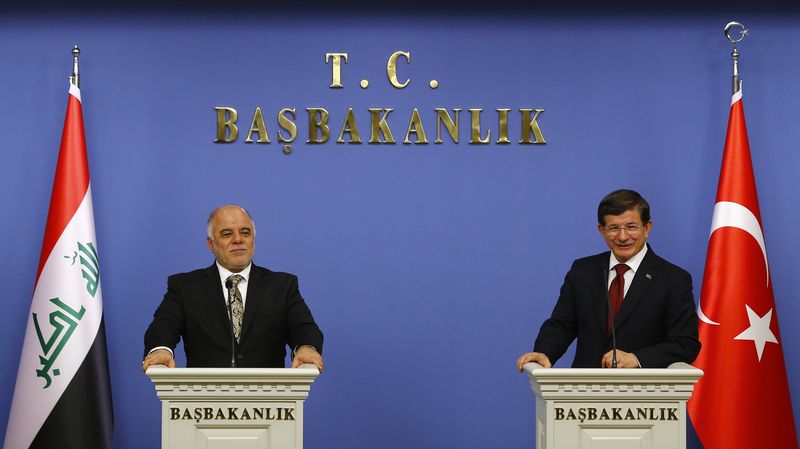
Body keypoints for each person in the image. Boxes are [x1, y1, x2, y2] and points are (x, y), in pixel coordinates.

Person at [516, 189, 700, 369]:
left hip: (642, 393)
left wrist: (637, 359)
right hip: (583, 391)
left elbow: (685, 343)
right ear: (601, 231)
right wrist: (544, 352)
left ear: (647, 227)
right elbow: (562, 324)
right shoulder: (583, 271)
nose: (622, 236)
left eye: (631, 227)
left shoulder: (673, 279)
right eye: (613, 228)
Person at [142, 205, 323, 371]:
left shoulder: (282, 286)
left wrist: (307, 347)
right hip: (204, 398)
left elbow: (304, 327)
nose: (238, 240)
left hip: (267, 398)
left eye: (245, 232)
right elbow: (164, 326)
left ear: (253, 239)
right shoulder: (185, 287)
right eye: (227, 234)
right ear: (211, 244)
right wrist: (160, 350)